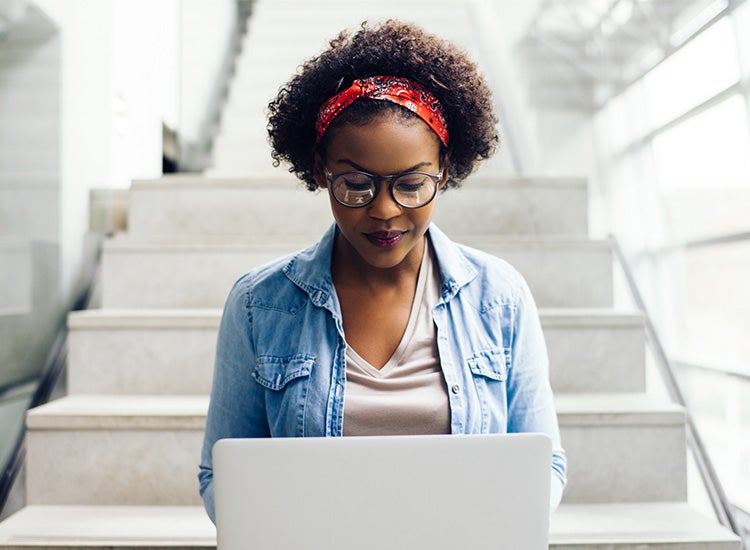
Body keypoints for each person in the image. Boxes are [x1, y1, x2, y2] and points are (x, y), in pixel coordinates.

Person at [199, 19, 566, 523]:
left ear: (444, 170)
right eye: (355, 183)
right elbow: (222, 475)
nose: (385, 211)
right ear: (320, 171)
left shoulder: (499, 296)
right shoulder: (259, 303)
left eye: (412, 184)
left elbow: (545, 464)